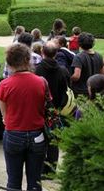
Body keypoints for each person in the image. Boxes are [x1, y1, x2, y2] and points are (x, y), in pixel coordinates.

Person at [0, 43, 47, 191]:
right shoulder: (41, 82)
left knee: (13, 182)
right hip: (37, 134)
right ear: (27, 59)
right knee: (35, 182)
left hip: (14, 133)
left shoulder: (5, 84)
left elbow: (4, 115)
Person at [35, 42, 70, 175]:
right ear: (56, 53)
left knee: (39, 140)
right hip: (55, 110)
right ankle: (50, 171)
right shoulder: (63, 71)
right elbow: (66, 91)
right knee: (53, 141)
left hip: (40, 109)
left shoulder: (36, 69)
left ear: (42, 52)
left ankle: (40, 169)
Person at [71, 32, 104, 97]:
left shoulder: (78, 57)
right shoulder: (99, 56)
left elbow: (76, 76)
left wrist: (68, 78)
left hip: (81, 91)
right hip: (95, 90)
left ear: (79, 44)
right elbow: (101, 74)